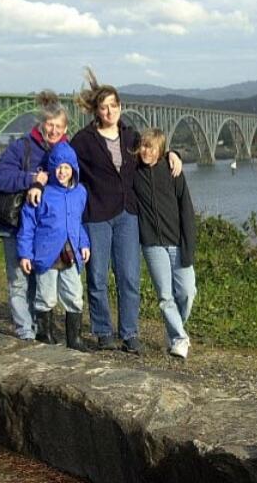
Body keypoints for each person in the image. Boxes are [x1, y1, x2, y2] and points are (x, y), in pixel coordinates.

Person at [66, 68, 182, 353]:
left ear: (120, 107)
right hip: (97, 215)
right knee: (97, 276)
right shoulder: (83, 140)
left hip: (128, 214)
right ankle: (104, 331)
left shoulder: (131, 136)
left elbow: (151, 152)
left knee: (129, 276)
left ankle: (130, 334)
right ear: (96, 110)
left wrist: (171, 154)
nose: (109, 111)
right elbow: (64, 161)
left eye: (113, 106)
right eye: (103, 107)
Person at [0, 90, 69, 341]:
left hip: (41, 228)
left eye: (58, 126)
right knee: (19, 281)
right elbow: (0, 177)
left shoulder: (65, 151)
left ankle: (37, 326)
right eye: (50, 125)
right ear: (41, 124)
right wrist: (31, 179)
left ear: (65, 128)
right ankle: (25, 332)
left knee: (38, 279)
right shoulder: (21, 146)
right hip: (13, 225)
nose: (54, 130)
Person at [17, 142, 90, 350]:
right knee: (46, 296)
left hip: (71, 255)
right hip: (46, 255)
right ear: (51, 168)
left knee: (74, 295)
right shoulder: (42, 193)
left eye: (67, 167)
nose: (62, 172)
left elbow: (78, 223)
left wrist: (84, 243)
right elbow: (28, 225)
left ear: (73, 169)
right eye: (58, 167)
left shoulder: (80, 193)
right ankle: (44, 335)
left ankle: (74, 339)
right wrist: (25, 254)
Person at [132, 129, 197, 359]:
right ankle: (180, 338)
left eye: (151, 147)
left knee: (187, 292)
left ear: (160, 150)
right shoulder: (134, 172)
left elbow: (186, 209)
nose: (145, 151)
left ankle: (174, 332)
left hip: (177, 242)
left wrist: (174, 154)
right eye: (143, 146)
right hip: (152, 244)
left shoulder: (173, 171)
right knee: (165, 296)